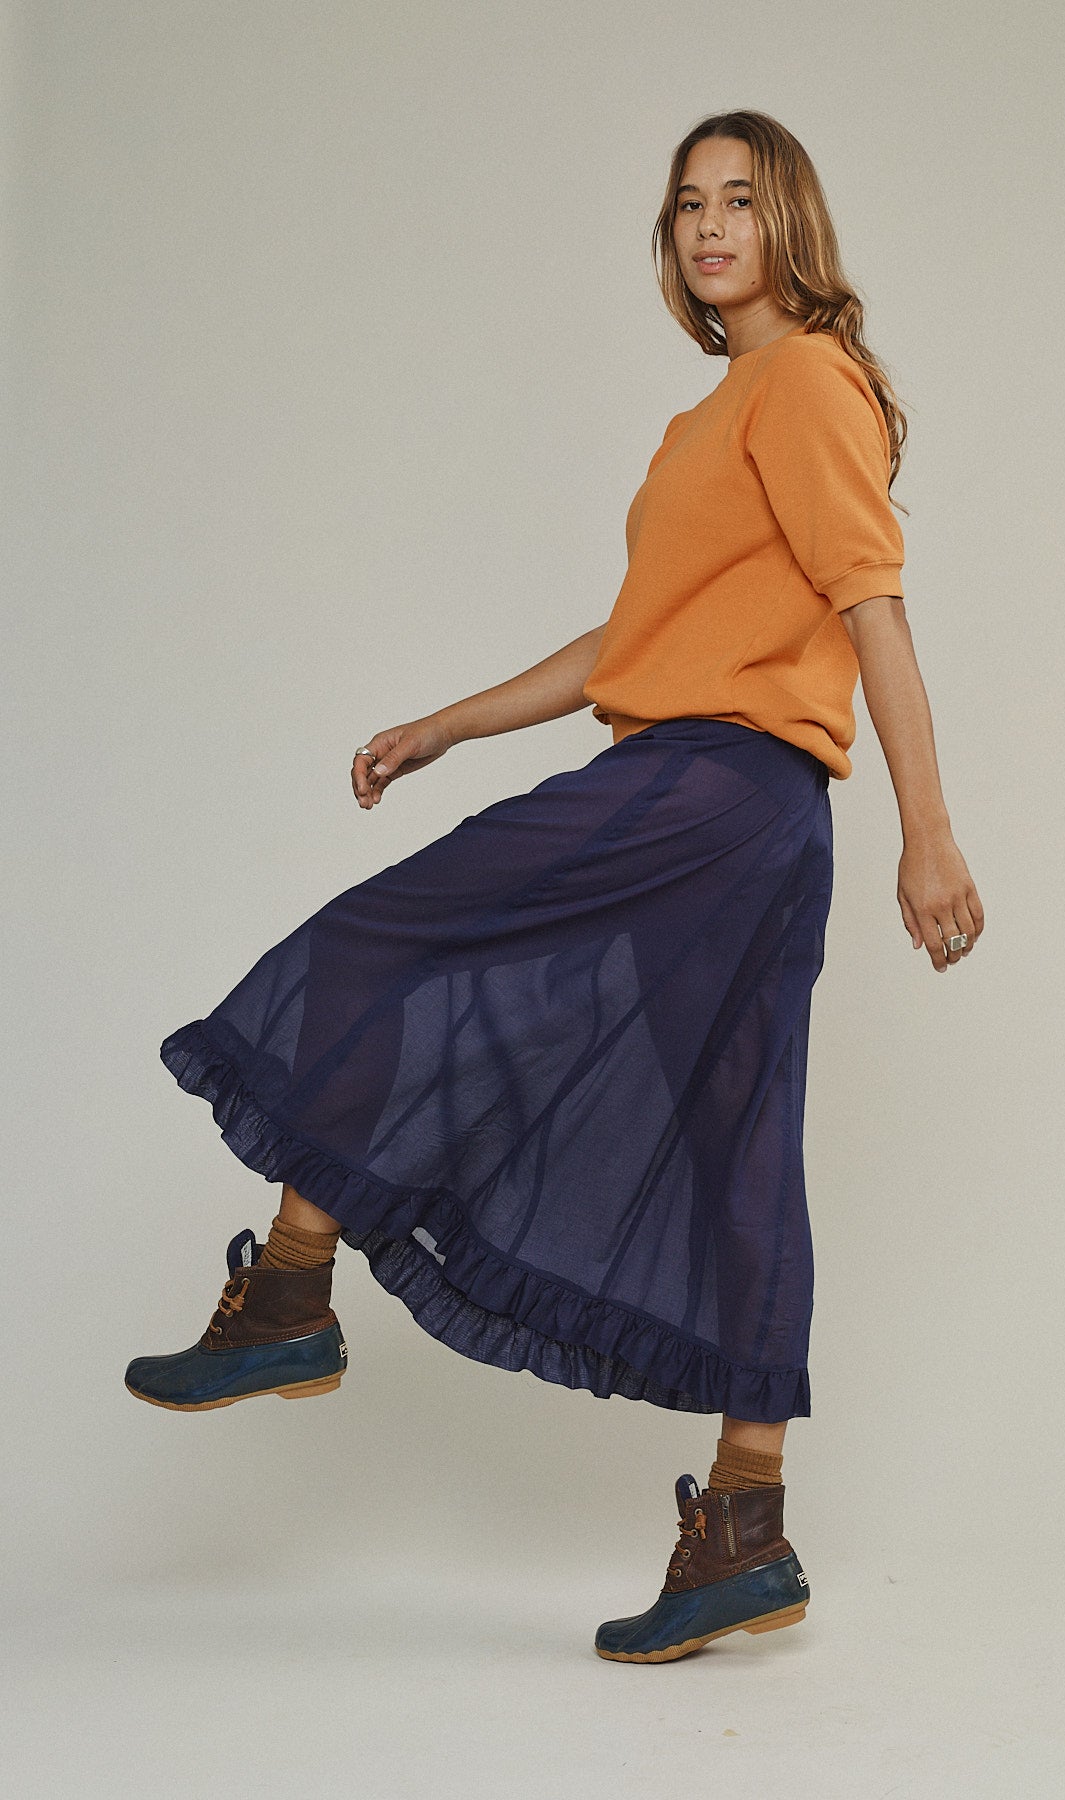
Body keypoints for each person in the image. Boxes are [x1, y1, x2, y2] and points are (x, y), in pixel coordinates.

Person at [126, 109, 984, 1665]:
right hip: (747, 812)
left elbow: (877, 612)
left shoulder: (802, 381)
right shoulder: (712, 417)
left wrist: (930, 834)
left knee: (386, 941)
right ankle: (747, 1526)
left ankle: (296, 1290)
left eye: (740, 200)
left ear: (790, 224)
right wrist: (452, 723)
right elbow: (632, 642)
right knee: (739, 1141)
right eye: (687, 204)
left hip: (712, 791)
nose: (708, 226)